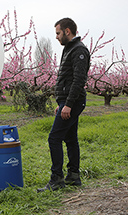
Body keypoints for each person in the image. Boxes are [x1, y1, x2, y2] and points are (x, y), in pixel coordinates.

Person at [37, 18, 90, 192]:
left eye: (58, 33)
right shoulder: (70, 49)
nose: (57, 37)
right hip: (68, 102)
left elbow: (78, 80)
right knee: (70, 138)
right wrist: (61, 103)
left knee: (54, 138)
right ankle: (73, 176)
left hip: (73, 102)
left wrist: (67, 105)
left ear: (67, 31)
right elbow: (67, 78)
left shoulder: (79, 50)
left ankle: (57, 178)